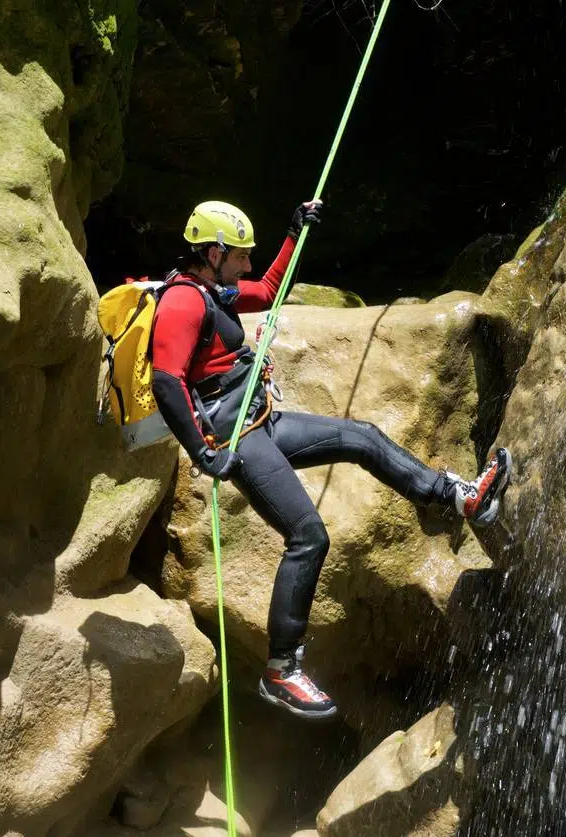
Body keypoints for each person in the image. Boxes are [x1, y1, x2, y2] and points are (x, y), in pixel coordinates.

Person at [149, 198, 512, 720]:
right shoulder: (183, 303)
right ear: (212, 252)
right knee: (309, 536)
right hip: (237, 440)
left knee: (360, 437)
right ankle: (281, 670)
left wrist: (295, 233)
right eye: (241, 256)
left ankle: (461, 498)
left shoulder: (216, 289)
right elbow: (167, 380)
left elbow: (270, 291)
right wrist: (205, 453)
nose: (247, 265)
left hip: (263, 422)